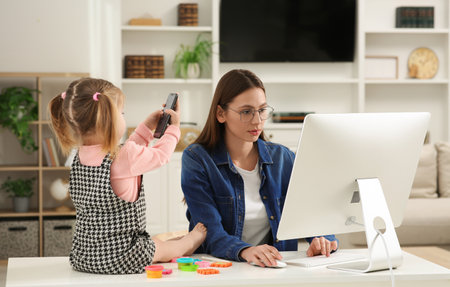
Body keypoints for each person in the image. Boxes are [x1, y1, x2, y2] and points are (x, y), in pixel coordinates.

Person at [48, 77, 206, 274]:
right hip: (123, 255)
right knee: (165, 247)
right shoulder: (124, 156)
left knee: (154, 241)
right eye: (121, 113)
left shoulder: (79, 156)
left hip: (84, 256)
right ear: (109, 119)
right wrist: (174, 129)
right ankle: (192, 240)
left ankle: (171, 244)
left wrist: (146, 128)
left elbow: (127, 155)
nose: (123, 117)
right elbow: (161, 155)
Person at [181, 69, 338, 267]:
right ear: (221, 113)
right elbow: (210, 233)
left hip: (275, 269)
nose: (257, 121)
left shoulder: (283, 158)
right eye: (246, 112)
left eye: (262, 110)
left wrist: (322, 240)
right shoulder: (197, 159)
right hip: (220, 268)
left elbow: (312, 215)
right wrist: (246, 251)